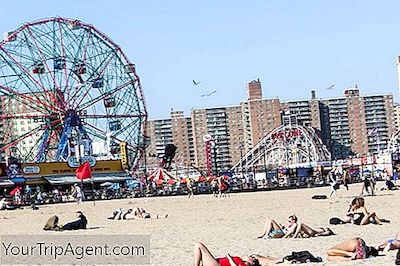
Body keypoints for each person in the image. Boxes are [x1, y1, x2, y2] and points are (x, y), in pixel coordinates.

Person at [194, 242, 280, 266]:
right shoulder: (241, 261)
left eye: (251, 257)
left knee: (199, 245)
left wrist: (229, 258)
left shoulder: (242, 264)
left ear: (251, 262)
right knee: (200, 250)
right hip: (215, 262)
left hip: (217, 264)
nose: (249, 256)